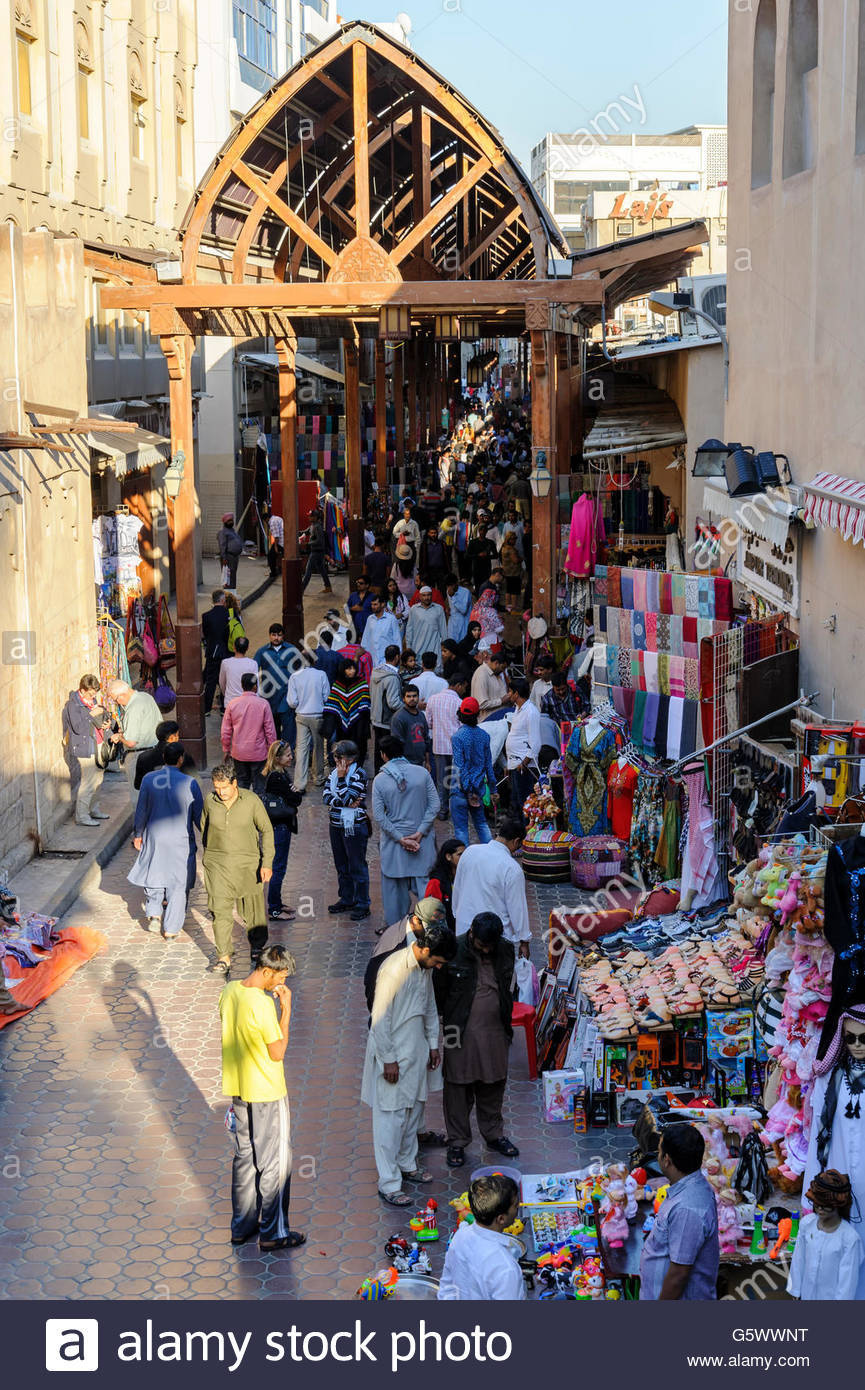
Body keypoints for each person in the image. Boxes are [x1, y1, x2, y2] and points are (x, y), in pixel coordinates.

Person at [361, 919, 456, 1206]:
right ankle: (389, 1183)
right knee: (390, 1118)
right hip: (391, 1052)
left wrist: (432, 1043)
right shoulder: (392, 970)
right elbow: (379, 1019)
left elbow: (429, 1007)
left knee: (415, 1109)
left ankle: (408, 1165)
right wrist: (388, 1059)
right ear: (423, 949)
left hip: (416, 1050)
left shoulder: (424, 968)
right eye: (437, 961)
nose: (439, 967)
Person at [219, 943, 306, 1253]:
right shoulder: (262, 1004)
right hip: (267, 1091)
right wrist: (287, 1010)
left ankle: (242, 1227)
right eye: (280, 977)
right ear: (266, 971)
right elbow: (277, 1051)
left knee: (245, 1159)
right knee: (274, 1164)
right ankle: (273, 1232)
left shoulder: (231, 990)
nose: (282, 983)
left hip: (239, 1087)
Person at [436, 912, 519, 1169]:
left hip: (495, 1030)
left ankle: (493, 1134)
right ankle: (457, 1141)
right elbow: (439, 991)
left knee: (493, 1083)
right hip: (456, 1029)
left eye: (489, 946)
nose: (486, 950)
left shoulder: (505, 949)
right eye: (482, 945)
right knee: (457, 1086)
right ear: (471, 933)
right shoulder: (454, 950)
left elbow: (508, 986)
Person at [802, 1005, 865, 1297]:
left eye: (863, 1039)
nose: (856, 1046)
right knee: (839, 1259)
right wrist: (814, 1187)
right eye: (850, 1039)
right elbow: (818, 1136)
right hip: (839, 1181)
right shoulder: (830, 1080)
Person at [201, 761, 274, 978]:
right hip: (218, 866)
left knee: (253, 911)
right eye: (217, 787)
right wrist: (210, 858)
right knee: (220, 911)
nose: (221, 792)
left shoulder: (251, 801)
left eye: (225, 787)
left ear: (235, 783)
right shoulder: (210, 801)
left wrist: (267, 862)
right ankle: (224, 956)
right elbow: (205, 830)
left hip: (248, 866)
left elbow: (267, 831)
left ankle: (257, 948)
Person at [128, 743, 203, 940]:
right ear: (181, 759)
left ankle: (154, 913)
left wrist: (138, 834)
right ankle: (170, 929)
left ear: (163, 757)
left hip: (155, 837)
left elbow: (141, 810)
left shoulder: (149, 779)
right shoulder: (190, 783)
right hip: (181, 841)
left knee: (155, 874)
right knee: (178, 884)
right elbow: (199, 816)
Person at [639, 1122, 720, 1300]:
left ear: (667, 1159)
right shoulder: (687, 1188)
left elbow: (679, 1274)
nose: (658, 1156)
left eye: (659, 1152)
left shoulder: (687, 1209)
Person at [371, 735, 440, 925]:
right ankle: (431, 932)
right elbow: (434, 805)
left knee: (394, 899)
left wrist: (400, 839)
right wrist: (420, 832)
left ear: (384, 755)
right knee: (427, 895)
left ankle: (396, 936)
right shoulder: (422, 773)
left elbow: (379, 816)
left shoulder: (380, 780)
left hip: (394, 847)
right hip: (422, 843)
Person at [438, 1175, 525, 1300]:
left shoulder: (460, 1235)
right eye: (516, 1206)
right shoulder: (506, 1269)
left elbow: (446, 1284)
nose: (518, 1208)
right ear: (501, 1218)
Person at [453, 818, 531, 956]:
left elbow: (457, 889)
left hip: (464, 929)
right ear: (516, 841)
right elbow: (517, 908)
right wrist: (524, 940)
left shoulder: (470, 851)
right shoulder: (512, 868)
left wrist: (458, 916)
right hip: (493, 939)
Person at [787, 1168, 864, 1301]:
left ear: (839, 1204)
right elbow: (798, 1260)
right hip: (806, 1295)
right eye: (817, 1203)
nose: (820, 1208)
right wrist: (795, 1289)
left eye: (825, 1204)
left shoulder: (850, 1239)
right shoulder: (807, 1224)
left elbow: (847, 1283)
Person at [322, 739, 371, 922]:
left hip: (354, 826)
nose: (335, 760)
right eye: (335, 756)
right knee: (341, 865)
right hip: (335, 825)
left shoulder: (359, 774)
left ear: (350, 759)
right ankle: (347, 898)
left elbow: (347, 796)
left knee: (357, 865)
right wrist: (345, 801)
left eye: (339, 756)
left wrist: (342, 780)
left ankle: (362, 903)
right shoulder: (333, 773)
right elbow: (327, 797)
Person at [261, 740, 301, 923]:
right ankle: (274, 909)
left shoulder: (280, 773)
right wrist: (294, 792)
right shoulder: (277, 777)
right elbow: (296, 799)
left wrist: (294, 793)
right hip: (279, 828)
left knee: (280, 867)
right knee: (278, 868)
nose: (291, 757)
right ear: (277, 758)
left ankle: (277, 902)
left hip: (280, 827)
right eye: (288, 755)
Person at [106, 679, 162, 807]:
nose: (116, 702)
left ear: (122, 695)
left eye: (115, 699)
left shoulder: (132, 708)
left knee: (139, 799)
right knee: (155, 795)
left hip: (138, 756)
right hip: (156, 752)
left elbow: (131, 742)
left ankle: (142, 826)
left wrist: (119, 737)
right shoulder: (146, 697)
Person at [62, 674, 109, 826]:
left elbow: (96, 719)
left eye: (95, 692)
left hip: (98, 743)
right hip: (85, 747)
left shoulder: (92, 700)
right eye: (90, 693)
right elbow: (77, 727)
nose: (94, 696)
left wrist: (105, 721)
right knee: (88, 782)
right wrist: (91, 714)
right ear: (82, 690)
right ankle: (82, 816)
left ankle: (93, 809)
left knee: (99, 779)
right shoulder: (72, 705)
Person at [450, 696, 497, 846]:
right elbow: (489, 766)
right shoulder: (484, 736)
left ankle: (462, 863)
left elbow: (460, 767)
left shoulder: (457, 737)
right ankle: (491, 854)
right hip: (478, 789)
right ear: (477, 715)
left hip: (460, 790)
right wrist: (493, 789)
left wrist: (468, 790)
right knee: (482, 825)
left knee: (461, 830)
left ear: (460, 715)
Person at [221, 672, 277, 794]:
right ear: (255, 686)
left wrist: (226, 749)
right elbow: (270, 731)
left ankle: (243, 811)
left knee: (241, 785)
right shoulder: (263, 704)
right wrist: (272, 750)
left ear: (242, 686)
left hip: (239, 753)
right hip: (259, 753)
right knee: (259, 787)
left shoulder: (232, 704)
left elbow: (226, 731)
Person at [426, 671, 468, 820]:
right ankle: (457, 809)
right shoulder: (460, 703)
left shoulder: (432, 700)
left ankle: (442, 810)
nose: (464, 690)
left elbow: (428, 723)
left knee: (441, 779)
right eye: (464, 687)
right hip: (456, 747)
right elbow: (463, 726)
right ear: (458, 686)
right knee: (456, 779)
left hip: (439, 746)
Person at [286, 659, 329, 794]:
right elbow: (327, 696)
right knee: (318, 747)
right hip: (317, 715)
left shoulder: (294, 676)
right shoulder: (321, 674)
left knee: (301, 749)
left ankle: (299, 783)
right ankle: (318, 777)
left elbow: (292, 702)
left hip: (301, 715)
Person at [255, 623, 300, 746]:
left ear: (283, 636)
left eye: (279, 635)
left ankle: (288, 753)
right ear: (269, 636)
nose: (276, 638)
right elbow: (254, 671)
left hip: (287, 697)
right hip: (269, 698)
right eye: (273, 635)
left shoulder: (292, 650)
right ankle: (275, 755)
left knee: (289, 728)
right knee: (272, 729)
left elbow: (301, 670)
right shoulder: (261, 652)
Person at [321, 656, 370, 768]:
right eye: (348, 669)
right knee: (343, 749)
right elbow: (332, 704)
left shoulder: (361, 683)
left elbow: (365, 701)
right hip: (341, 724)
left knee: (358, 746)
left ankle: (357, 769)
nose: (352, 671)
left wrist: (361, 709)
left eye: (353, 668)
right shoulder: (337, 684)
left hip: (358, 723)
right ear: (343, 670)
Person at [505, 677, 542, 826]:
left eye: (510, 691)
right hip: (515, 764)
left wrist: (524, 763)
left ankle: (528, 834)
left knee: (526, 803)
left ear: (516, 693)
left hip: (524, 766)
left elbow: (536, 742)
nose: (508, 694)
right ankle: (520, 835)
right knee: (517, 801)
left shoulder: (531, 711)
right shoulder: (518, 709)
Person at [369, 644, 402, 773]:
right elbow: (393, 703)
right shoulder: (392, 677)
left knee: (378, 751)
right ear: (397, 657)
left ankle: (378, 775)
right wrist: (408, 707)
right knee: (389, 752)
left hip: (376, 717)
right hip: (386, 720)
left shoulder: (376, 672)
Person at [424, 838, 466, 933]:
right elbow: (431, 912)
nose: (464, 857)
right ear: (448, 857)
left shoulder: (466, 875)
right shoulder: (436, 882)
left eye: (465, 854)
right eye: (460, 854)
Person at [202, 590, 232, 716]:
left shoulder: (206, 616)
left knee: (211, 681)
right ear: (222, 600)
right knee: (225, 681)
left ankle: (206, 709)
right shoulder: (229, 614)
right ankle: (224, 708)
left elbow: (206, 634)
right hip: (226, 652)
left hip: (212, 652)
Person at [390, 685, 431, 769]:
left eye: (414, 696)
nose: (412, 699)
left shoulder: (421, 715)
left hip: (421, 762)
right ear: (403, 699)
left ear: (418, 697)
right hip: (406, 763)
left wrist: (427, 762)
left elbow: (426, 739)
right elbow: (397, 744)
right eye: (408, 696)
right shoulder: (398, 717)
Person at [404, 586, 447, 664]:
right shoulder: (414, 609)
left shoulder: (439, 609)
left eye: (429, 595)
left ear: (432, 595)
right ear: (420, 596)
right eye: (424, 595)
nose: (426, 597)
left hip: (434, 647)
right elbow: (409, 629)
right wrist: (408, 646)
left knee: (435, 670)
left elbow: (443, 629)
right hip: (418, 647)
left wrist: (445, 647)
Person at [362, 594, 402, 669]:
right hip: (372, 661)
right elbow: (365, 639)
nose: (373, 607)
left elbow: (397, 640)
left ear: (383, 604)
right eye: (372, 604)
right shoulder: (370, 619)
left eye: (375, 604)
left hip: (388, 662)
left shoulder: (391, 619)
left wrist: (397, 659)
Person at [219, 634, 258, 707]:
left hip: (230, 702)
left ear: (234, 647)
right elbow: (256, 685)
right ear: (247, 648)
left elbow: (222, 683)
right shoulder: (253, 663)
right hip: (248, 703)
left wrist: (227, 694)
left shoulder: (225, 663)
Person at [471, 649, 508, 721]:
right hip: (487, 722)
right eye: (502, 668)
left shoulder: (497, 674)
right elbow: (481, 704)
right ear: (496, 663)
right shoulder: (482, 674)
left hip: (498, 720)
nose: (503, 671)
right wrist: (501, 701)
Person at [302, 507, 333, 593]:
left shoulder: (318, 527)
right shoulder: (312, 526)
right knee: (322, 570)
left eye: (310, 516)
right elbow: (305, 532)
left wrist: (308, 544)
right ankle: (328, 587)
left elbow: (319, 541)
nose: (309, 518)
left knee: (308, 571)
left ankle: (301, 590)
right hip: (318, 552)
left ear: (315, 517)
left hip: (316, 552)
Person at [218, 513, 244, 589]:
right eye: (229, 521)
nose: (231, 522)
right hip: (228, 557)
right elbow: (222, 546)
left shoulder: (232, 531)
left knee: (233, 576)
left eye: (232, 520)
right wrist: (224, 558)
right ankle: (228, 594)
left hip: (234, 557)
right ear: (225, 522)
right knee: (228, 577)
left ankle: (232, 593)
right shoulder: (223, 532)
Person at [446, 575, 472, 644]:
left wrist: (453, 597)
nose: (450, 588)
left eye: (451, 585)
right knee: (452, 646)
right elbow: (452, 607)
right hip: (453, 624)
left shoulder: (465, 592)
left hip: (463, 624)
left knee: (462, 646)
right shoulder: (448, 591)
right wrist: (448, 610)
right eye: (448, 586)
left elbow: (463, 610)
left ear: (456, 583)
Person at [347, 575, 373, 641]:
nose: (358, 584)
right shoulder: (353, 595)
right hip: (355, 627)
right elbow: (345, 609)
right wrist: (352, 609)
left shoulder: (373, 596)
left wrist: (364, 610)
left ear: (367, 585)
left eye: (361, 583)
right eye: (357, 583)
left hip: (368, 627)